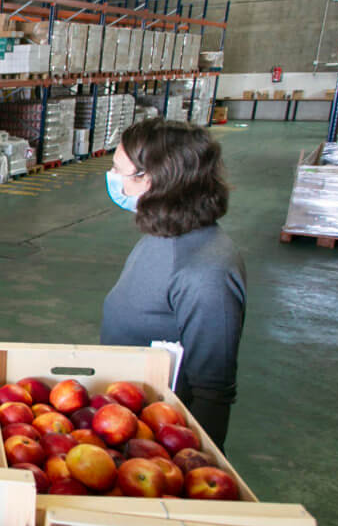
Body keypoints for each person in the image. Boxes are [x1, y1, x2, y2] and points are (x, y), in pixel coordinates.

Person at [100, 118, 246, 450]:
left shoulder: (206, 272)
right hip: (126, 421)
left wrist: (193, 464)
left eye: (118, 170)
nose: (112, 179)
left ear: (150, 179)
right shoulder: (163, 234)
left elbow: (212, 392)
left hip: (156, 437)